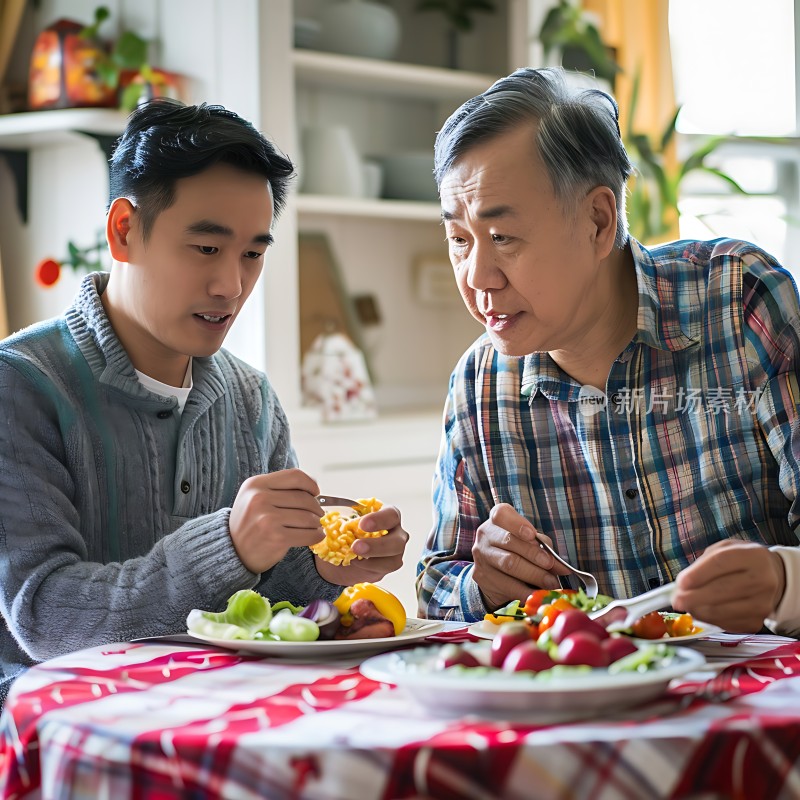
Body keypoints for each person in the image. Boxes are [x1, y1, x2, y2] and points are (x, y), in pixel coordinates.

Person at [0, 99, 408, 704]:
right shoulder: (21, 385)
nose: (231, 286)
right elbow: (43, 617)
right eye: (206, 249)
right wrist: (228, 547)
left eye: (253, 253)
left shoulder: (252, 400)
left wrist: (326, 569)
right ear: (124, 230)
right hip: (59, 730)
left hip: (222, 716)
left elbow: (267, 607)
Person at [416, 66, 800, 637]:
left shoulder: (738, 299)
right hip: (587, 690)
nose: (477, 277)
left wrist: (783, 582)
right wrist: (485, 585)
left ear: (598, 221)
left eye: (502, 238)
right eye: (459, 240)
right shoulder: (480, 383)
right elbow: (437, 587)